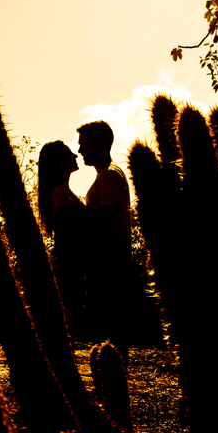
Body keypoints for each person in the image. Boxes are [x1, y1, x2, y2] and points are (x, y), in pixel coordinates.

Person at [77, 120, 132, 360]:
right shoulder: (107, 176)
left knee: (112, 329)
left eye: (84, 144)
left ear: (101, 144)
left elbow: (110, 217)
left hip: (111, 262)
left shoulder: (109, 176)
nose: (80, 150)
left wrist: (90, 252)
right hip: (109, 263)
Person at [37, 140, 87, 338]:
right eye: (69, 154)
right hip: (68, 268)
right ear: (60, 163)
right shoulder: (61, 193)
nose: (75, 156)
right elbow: (68, 236)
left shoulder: (61, 192)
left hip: (68, 266)